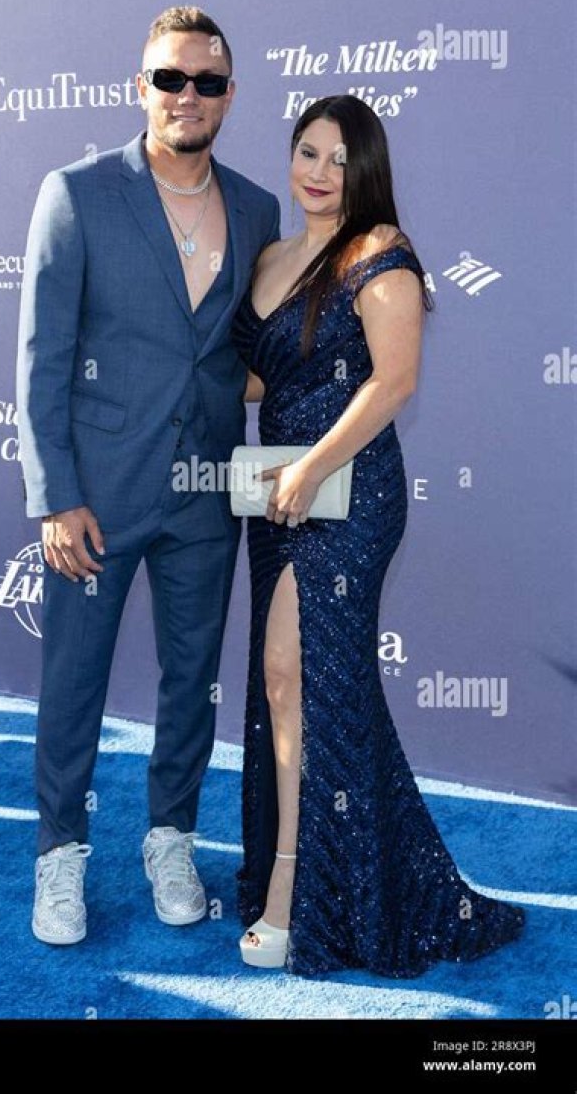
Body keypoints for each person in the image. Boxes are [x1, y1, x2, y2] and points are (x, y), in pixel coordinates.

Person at [231, 95, 525, 975]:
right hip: (278, 491)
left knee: (293, 672)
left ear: (366, 168)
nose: (319, 172)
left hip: (349, 492)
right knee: (302, 685)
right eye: (306, 152)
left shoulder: (379, 250)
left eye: (338, 157)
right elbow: (258, 378)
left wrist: (312, 467)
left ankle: (297, 891)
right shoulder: (273, 257)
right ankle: (347, 876)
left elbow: (393, 381)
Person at [16, 6, 280, 944]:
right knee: (74, 681)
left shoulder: (258, 209)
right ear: (142, 88)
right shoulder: (77, 193)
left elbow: (247, 351)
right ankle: (60, 851)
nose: (186, 96)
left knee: (191, 679)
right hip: (97, 495)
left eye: (206, 81)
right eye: (170, 78)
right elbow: (43, 357)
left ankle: (171, 836)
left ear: (230, 96)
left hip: (205, 495)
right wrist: (55, 496)